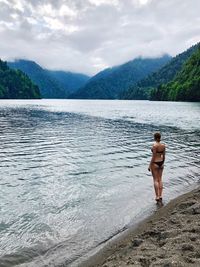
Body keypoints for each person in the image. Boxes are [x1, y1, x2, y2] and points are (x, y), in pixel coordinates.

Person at [148, 132, 166, 202]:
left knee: (155, 180)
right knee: (160, 179)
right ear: (160, 137)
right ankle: (161, 195)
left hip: (155, 163)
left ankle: (157, 196)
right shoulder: (163, 146)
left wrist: (150, 165)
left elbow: (153, 157)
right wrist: (162, 163)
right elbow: (164, 156)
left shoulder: (154, 146)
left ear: (155, 138)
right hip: (161, 162)